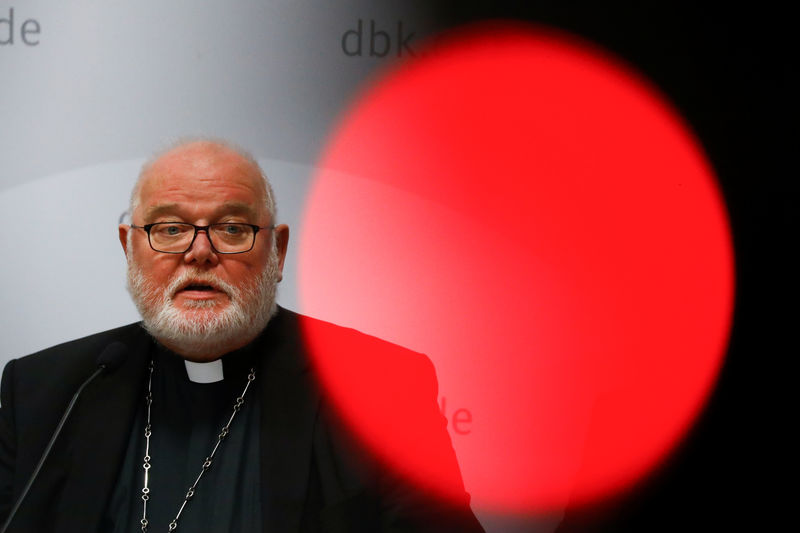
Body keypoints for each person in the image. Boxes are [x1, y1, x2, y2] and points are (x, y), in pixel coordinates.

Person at [0, 139, 484, 532]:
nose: (200, 253)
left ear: (278, 250)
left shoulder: (381, 387)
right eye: (170, 229)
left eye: (232, 228)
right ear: (130, 248)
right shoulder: (46, 391)